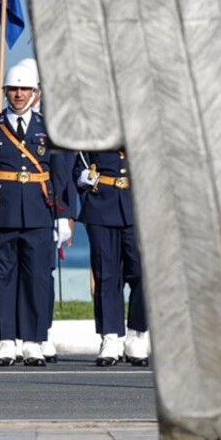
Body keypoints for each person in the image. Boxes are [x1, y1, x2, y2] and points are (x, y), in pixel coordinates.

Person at [0, 64, 72, 367]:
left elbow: (60, 176)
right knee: (2, 276)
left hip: (38, 211)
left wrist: (63, 215)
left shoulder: (49, 128)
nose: (18, 95)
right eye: (13, 90)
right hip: (2, 212)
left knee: (37, 278)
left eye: (24, 90)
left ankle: (33, 340)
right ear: (5, 92)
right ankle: (6, 340)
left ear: (35, 93)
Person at [75, 149, 148, 366]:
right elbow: (77, 164)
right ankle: (110, 338)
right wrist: (82, 178)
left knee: (142, 274)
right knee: (106, 275)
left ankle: (136, 334)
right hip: (102, 204)